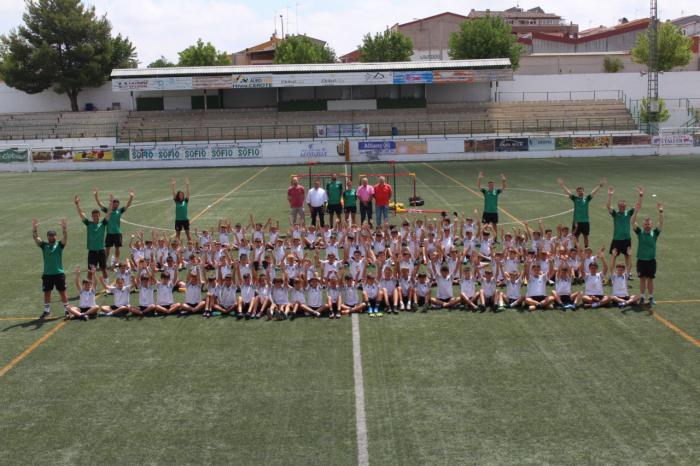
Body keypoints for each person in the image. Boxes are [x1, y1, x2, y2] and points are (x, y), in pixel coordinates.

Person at [33, 218, 70, 319]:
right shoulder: (44, 245)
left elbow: (65, 238)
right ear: (48, 237)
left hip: (59, 273)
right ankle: (47, 311)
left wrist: (64, 229)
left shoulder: (59, 245)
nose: (51, 237)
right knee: (47, 292)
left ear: (55, 236)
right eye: (49, 235)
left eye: (53, 235)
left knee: (62, 292)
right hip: (47, 274)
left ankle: (67, 310)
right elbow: (36, 239)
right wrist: (34, 230)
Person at [557, 177, 606, 248]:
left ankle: (586, 248)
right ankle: (576, 249)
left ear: (583, 191)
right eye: (579, 191)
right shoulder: (575, 198)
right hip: (576, 221)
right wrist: (562, 185)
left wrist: (599, 186)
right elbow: (568, 192)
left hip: (585, 221)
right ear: (577, 192)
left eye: (581, 191)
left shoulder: (587, 199)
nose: (580, 192)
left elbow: (593, 193)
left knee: (586, 236)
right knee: (576, 236)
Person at [607, 185, 644, 278]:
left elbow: (638, 206)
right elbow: (608, 206)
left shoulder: (629, 213)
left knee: (628, 256)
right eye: (620, 205)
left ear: (625, 206)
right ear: (618, 206)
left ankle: (628, 273)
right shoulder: (615, 214)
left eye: (623, 205)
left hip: (627, 239)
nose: (622, 207)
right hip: (616, 239)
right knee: (613, 256)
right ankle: (611, 275)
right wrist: (610, 195)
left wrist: (640, 195)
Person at [632, 202, 664, 308]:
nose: (647, 226)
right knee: (642, 279)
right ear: (643, 225)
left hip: (651, 260)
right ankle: (642, 297)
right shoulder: (639, 232)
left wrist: (661, 212)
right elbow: (632, 222)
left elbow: (661, 223)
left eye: (649, 224)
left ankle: (650, 297)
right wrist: (635, 211)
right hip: (641, 260)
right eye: (645, 224)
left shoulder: (655, 233)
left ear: (651, 225)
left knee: (650, 279)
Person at [75, 194, 113, 280]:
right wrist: (77, 205)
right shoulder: (89, 224)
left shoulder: (103, 224)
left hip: (101, 250)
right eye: (94, 216)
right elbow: (81, 214)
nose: (96, 217)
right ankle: (90, 288)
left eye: (97, 215)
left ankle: (107, 286)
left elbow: (109, 213)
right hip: (92, 251)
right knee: (90, 271)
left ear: (100, 216)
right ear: (92, 216)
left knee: (103, 269)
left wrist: (111, 203)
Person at [94, 188, 134, 265]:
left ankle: (116, 262)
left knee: (117, 248)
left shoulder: (119, 211)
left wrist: (131, 197)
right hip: (109, 233)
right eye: (114, 204)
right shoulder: (108, 211)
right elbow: (99, 203)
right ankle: (104, 263)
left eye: (117, 205)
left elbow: (128, 205)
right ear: (112, 204)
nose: (116, 206)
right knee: (107, 249)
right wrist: (96, 195)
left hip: (117, 233)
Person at [477, 172, 506, 241]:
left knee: (494, 226)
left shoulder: (496, 191)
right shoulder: (485, 191)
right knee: (485, 226)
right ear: (488, 186)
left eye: (492, 185)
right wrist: (479, 178)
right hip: (486, 212)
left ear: (493, 186)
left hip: (494, 212)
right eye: (489, 185)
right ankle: (484, 238)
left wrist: (503, 180)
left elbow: (503, 187)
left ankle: (495, 239)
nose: (490, 186)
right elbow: (479, 186)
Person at [171, 177, 191, 242]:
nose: (181, 196)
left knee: (188, 234)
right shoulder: (176, 201)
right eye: (180, 195)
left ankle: (190, 245)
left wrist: (187, 185)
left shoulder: (185, 201)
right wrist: (173, 185)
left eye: (182, 195)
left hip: (185, 220)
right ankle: (178, 247)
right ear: (178, 196)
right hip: (178, 220)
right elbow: (173, 194)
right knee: (177, 235)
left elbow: (188, 194)